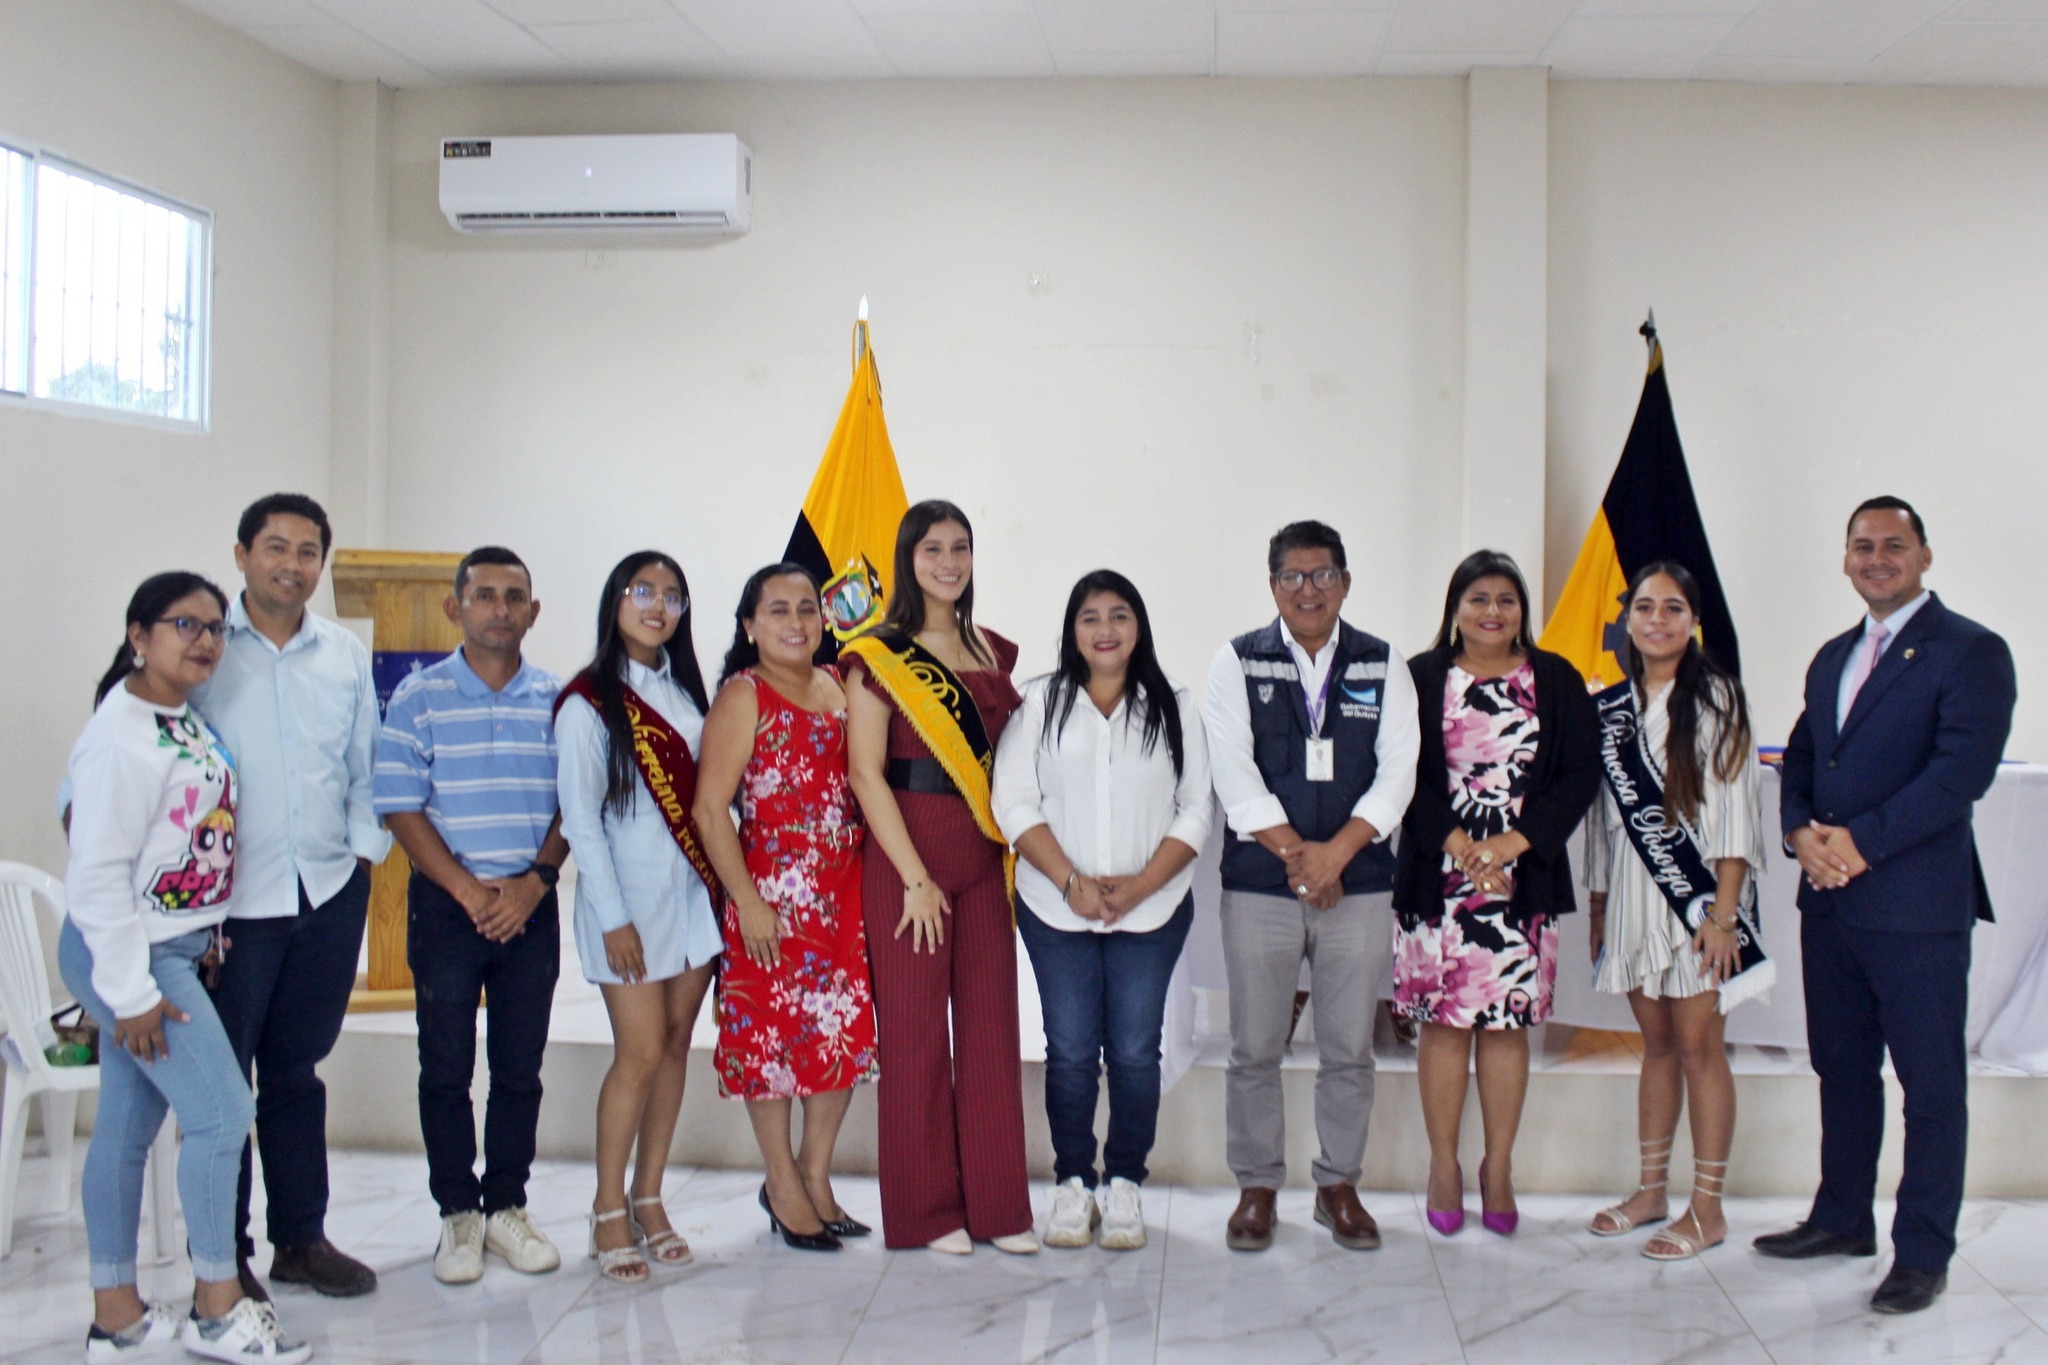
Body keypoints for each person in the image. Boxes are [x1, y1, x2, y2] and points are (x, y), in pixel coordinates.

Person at [1760, 497, 2015, 1315]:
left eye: (1893, 545)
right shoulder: (1833, 654)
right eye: (1862, 546)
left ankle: (1923, 1253)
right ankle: (1841, 1218)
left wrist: (1860, 843)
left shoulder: (1971, 650)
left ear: (1924, 554)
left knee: (1930, 1085)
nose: (1877, 558)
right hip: (1831, 904)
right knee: (1841, 1067)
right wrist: (1799, 830)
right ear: (1845, 560)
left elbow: (1959, 774)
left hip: (1915, 908)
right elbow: (1803, 754)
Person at [61, 572, 310, 1362]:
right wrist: (130, 991)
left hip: (170, 947)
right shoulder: (120, 735)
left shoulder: (177, 715)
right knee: (222, 1114)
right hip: (130, 953)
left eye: (213, 627)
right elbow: (97, 876)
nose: (204, 640)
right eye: (184, 625)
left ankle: (118, 1321)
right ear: (139, 635)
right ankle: (218, 1307)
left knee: (127, 1128)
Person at [189, 493, 389, 1301]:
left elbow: (365, 763)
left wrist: (361, 855)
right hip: (230, 907)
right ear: (242, 555)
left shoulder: (342, 653)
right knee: (223, 1082)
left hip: (326, 891)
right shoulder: (204, 648)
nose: (292, 565)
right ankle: (223, 1254)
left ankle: (300, 1239)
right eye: (276, 547)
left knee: (296, 1072)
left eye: (308, 552)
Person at [1203, 520, 1420, 1253]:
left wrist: (1337, 858)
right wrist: (1304, 860)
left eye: (1323, 575)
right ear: (1272, 586)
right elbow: (1233, 774)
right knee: (1254, 1047)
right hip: (1261, 886)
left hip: (1359, 885)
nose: (1308, 590)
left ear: (1345, 583)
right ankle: (1257, 1187)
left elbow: (1398, 774)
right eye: (1292, 577)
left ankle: (1337, 1186)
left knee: (1349, 1047)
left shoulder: (1383, 664)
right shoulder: (1237, 662)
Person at [994, 570, 1211, 1252]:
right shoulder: (1039, 703)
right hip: (1056, 910)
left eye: (1119, 614)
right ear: (1073, 630)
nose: (1105, 629)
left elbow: (1196, 808)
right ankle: (1071, 1182)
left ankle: (1124, 1182)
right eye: (1090, 617)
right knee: (1069, 1051)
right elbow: (1013, 801)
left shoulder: (1173, 705)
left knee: (1135, 1052)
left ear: (1138, 626)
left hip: (1152, 912)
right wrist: (1069, 882)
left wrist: (1142, 885)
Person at [841, 500, 1037, 1255]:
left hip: (984, 858)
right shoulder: (877, 654)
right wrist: (915, 877)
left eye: (961, 547)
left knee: (991, 1031)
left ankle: (999, 1208)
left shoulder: (991, 648)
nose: (949, 562)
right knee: (917, 1038)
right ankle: (927, 1213)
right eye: (933, 549)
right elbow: (865, 773)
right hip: (908, 861)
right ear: (907, 557)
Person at [374, 546, 569, 1285]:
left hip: (530, 905)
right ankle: (457, 1211)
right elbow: (401, 804)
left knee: (520, 1067)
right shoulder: (418, 697)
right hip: (449, 906)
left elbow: (575, 802)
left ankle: (506, 1205)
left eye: (513, 596)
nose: (499, 609)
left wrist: (533, 884)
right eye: (483, 595)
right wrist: (466, 890)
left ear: (533, 612)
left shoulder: (558, 699)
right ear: (455, 607)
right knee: (446, 1066)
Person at [1392, 550, 1599, 1239]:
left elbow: (1578, 775)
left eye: (1506, 599)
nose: (1492, 611)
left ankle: (1499, 1166)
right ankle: (1443, 1167)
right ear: (1455, 608)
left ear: (1522, 611)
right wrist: (1462, 847)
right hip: (1438, 879)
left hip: (1520, 880)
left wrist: (1512, 844)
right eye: (1478, 598)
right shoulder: (1419, 677)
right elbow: (1400, 773)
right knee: (1444, 1025)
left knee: (1508, 1027)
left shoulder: (1557, 679)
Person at [1583, 561, 1769, 1259]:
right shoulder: (1611, 707)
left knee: (1699, 1047)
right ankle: (1651, 1190)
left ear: (1693, 621)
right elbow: (1602, 820)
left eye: (1672, 608)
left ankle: (1708, 1208)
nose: (1657, 620)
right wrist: (1599, 904)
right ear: (1627, 620)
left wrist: (1723, 917)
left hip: (1701, 905)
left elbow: (1736, 817)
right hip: (1633, 903)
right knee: (1657, 1046)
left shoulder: (1719, 699)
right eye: (1645, 607)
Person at [695, 563, 880, 1253]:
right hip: (771, 898)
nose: (797, 621)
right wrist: (748, 902)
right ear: (750, 625)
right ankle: (780, 1179)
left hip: (843, 896)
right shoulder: (744, 695)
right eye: (778, 609)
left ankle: (814, 1175)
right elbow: (709, 809)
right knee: (770, 1044)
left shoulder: (839, 682)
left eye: (807, 608)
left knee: (839, 1040)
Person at [554, 551, 722, 1282]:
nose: (658, 606)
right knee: (641, 1052)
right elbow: (581, 821)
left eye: (672, 596)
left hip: (692, 903)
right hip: (626, 906)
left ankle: (648, 1196)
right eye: (643, 591)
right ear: (615, 600)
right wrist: (614, 917)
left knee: (677, 1046)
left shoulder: (687, 694)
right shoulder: (587, 702)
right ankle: (606, 1208)